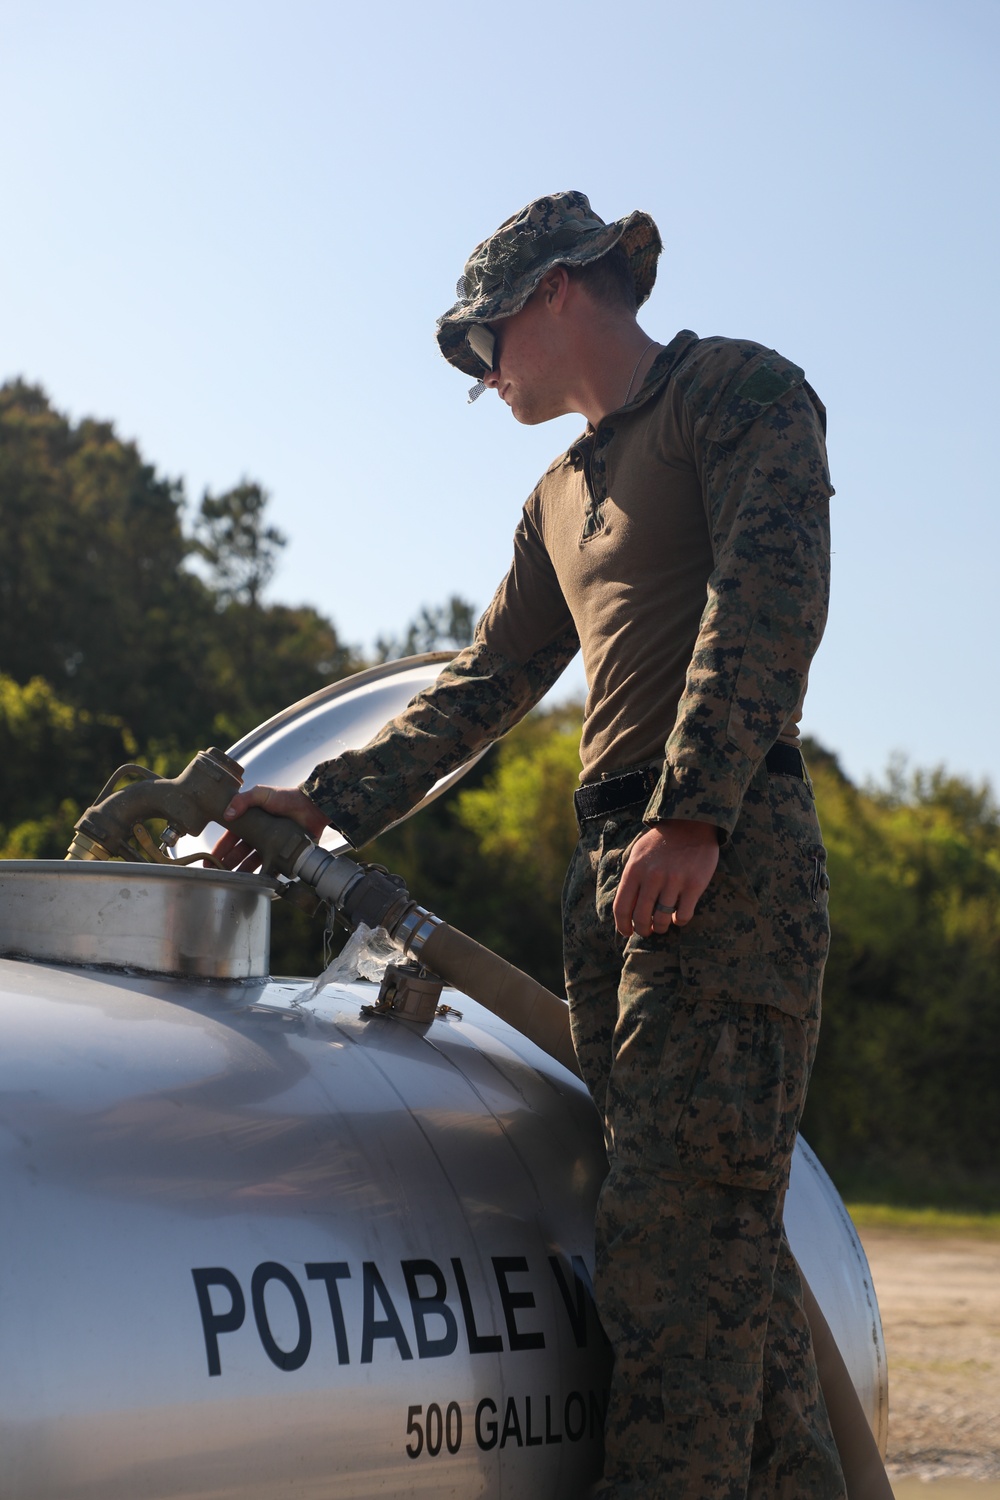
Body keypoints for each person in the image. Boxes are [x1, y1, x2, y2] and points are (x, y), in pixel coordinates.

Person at [217, 191, 846, 1498]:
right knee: (710, 1253)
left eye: (483, 340)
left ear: (560, 290)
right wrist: (322, 800)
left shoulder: (736, 393)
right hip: (615, 875)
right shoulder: (558, 493)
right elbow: (482, 686)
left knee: (677, 1248)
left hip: (719, 861)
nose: (479, 372)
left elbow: (768, 598)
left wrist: (694, 813)